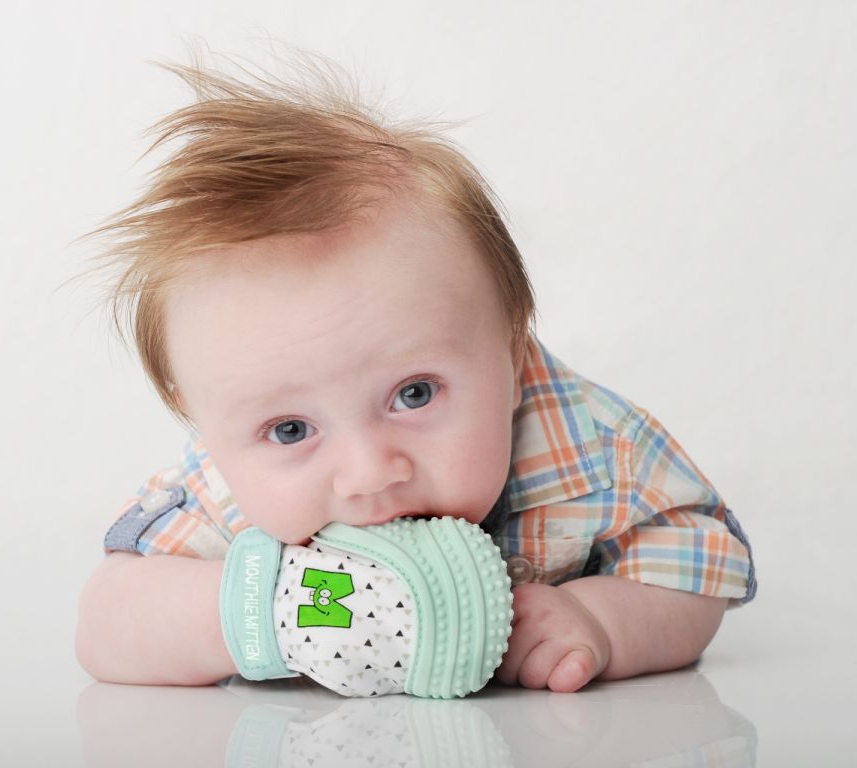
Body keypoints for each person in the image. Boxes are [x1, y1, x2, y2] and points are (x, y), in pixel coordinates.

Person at [75, 52, 756, 695]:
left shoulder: (590, 446)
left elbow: (698, 564)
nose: (370, 472)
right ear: (199, 417)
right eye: (290, 429)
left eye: (414, 394)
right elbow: (105, 622)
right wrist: (256, 615)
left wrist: (600, 620)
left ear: (512, 354)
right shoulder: (224, 487)